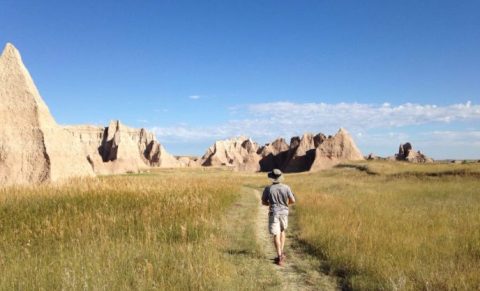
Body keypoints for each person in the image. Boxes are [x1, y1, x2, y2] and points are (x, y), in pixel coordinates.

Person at [261, 169, 295, 266]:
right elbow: (293, 200)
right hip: (284, 212)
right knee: (282, 231)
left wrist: (271, 204)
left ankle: (279, 256)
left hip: (274, 212)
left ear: (272, 178)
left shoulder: (268, 188)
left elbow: (263, 202)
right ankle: (281, 253)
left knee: (276, 234)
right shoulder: (286, 187)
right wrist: (285, 204)